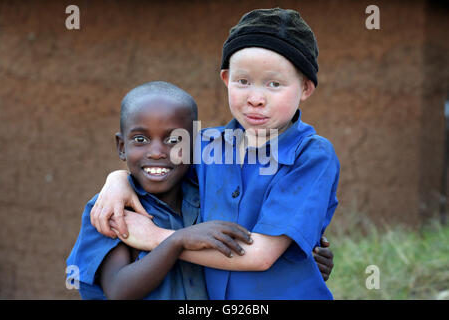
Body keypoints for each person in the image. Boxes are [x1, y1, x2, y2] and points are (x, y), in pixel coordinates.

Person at [90, 8, 339, 299]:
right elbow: (155, 168)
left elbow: (262, 255)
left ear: (306, 88)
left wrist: (158, 239)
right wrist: (117, 179)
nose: (255, 99)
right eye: (243, 81)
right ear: (225, 78)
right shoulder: (206, 145)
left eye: (274, 84)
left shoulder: (311, 156)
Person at [66, 81, 254, 299]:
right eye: (140, 139)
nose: (156, 152)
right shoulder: (112, 210)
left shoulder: (207, 191)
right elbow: (119, 289)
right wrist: (177, 241)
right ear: (121, 147)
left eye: (174, 140)